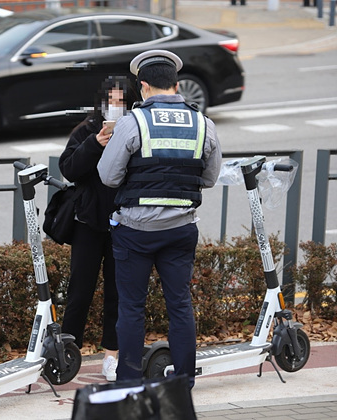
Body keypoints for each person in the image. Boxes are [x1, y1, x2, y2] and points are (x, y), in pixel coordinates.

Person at [97, 50, 222, 388]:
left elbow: (107, 176)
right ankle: (183, 381)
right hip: (182, 229)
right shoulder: (203, 123)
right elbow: (209, 179)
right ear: (177, 85)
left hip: (135, 231)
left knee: (132, 307)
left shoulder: (132, 123)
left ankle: (129, 383)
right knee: (180, 304)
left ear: (144, 87)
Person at [59, 75, 135, 382]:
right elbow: (68, 169)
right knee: (80, 291)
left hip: (124, 222)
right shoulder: (87, 130)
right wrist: (94, 144)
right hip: (88, 223)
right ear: (100, 102)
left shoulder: (136, 130)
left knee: (118, 292)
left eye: (121, 101)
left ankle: (111, 356)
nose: (115, 107)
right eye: (110, 101)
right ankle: (67, 350)